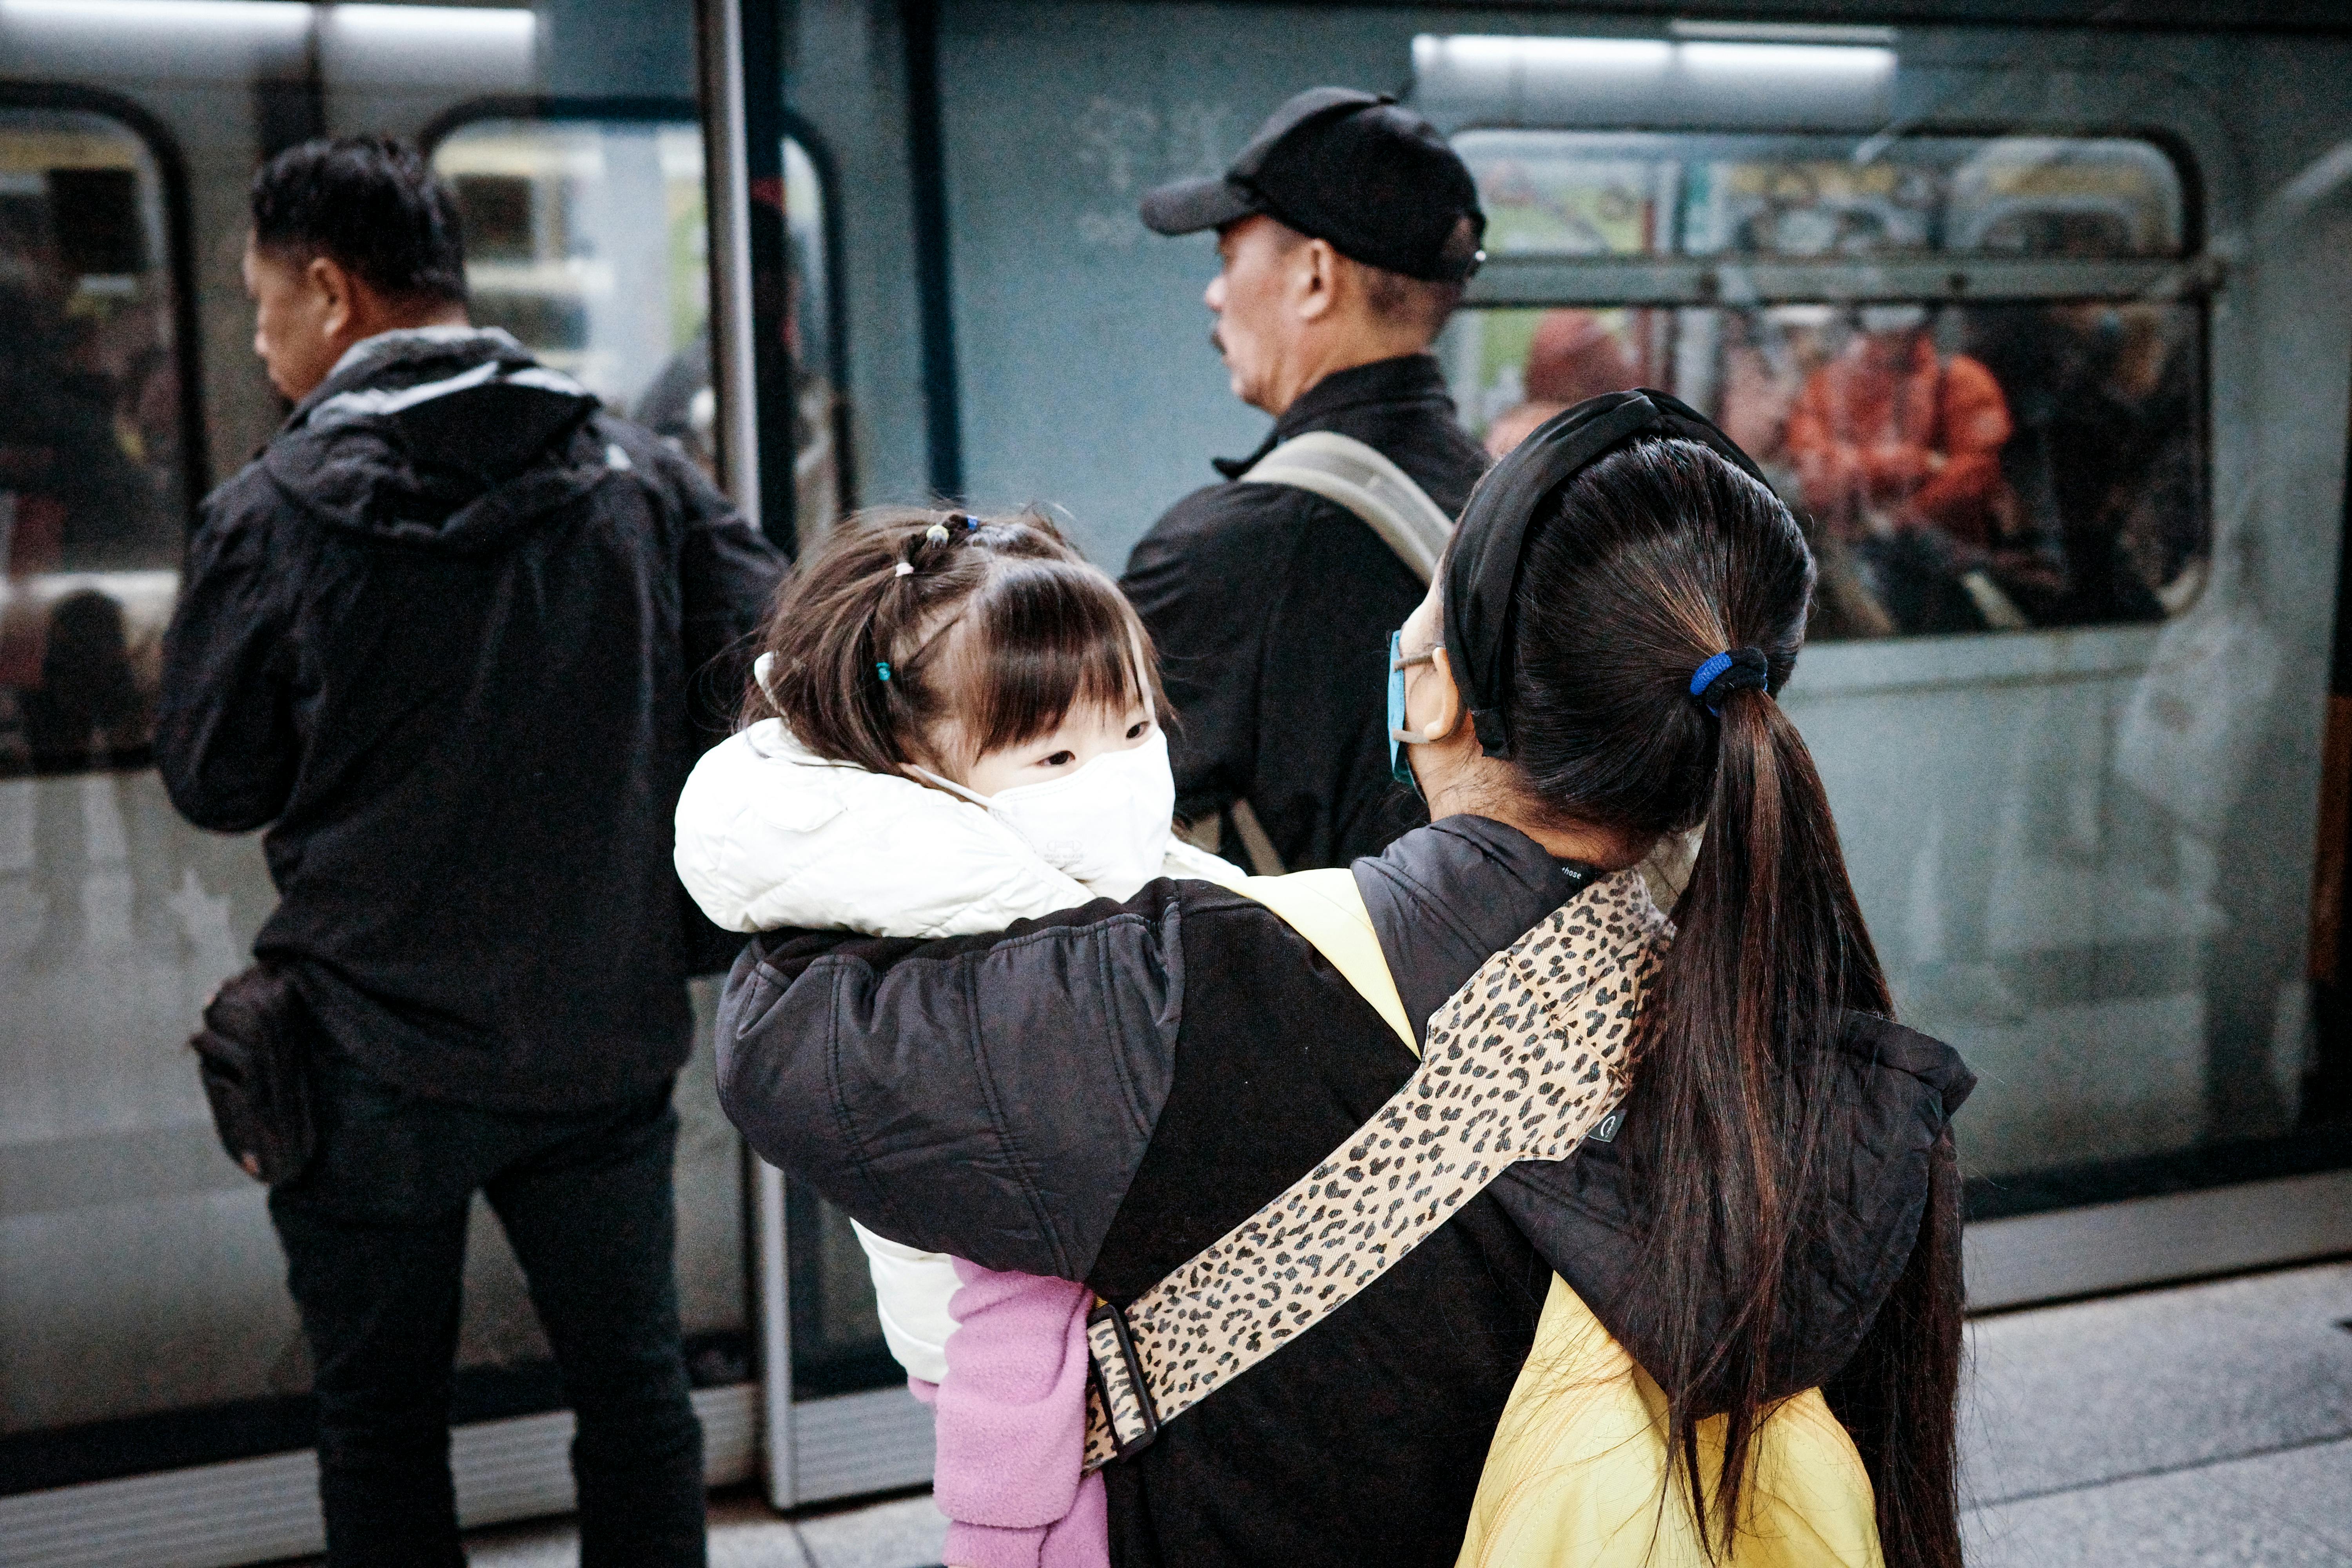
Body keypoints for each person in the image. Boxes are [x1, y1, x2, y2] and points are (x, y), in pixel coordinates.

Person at [717, 392, 1972, 1567]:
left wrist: (800, 758)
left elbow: (787, 1043)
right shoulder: (1795, 1050)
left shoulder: (1193, 993)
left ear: (1435, 694)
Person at [155, 136, 784, 1568]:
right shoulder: (639, 470)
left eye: (260, 310)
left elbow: (211, 773)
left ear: (329, 293)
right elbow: (765, 660)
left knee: (380, 1417)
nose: (261, 346)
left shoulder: (269, 513)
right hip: (601, 1037)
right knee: (634, 1390)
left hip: (366, 1050)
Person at [674, 508, 1243, 1568]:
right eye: (1056, 752)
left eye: (1134, 732)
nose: (1115, 775)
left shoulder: (1088, 896)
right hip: (1050, 1417)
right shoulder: (966, 959)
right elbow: (1021, 1303)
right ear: (917, 769)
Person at [1121, 87, 1489, 873]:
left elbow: (1080, 820)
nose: (1214, 293)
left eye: (1227, 258)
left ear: (1316, 276)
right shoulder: (1502, 499)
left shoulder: (1227, 554)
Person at [1783, 304, 2016, 634]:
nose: (1893, 338)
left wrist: (1899, 517)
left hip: (1956, 564)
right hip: (1855, 563)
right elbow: (1818, 481)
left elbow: (1975, 477)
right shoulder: (1830, 385)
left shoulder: (1962, 379)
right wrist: (1916, 462)